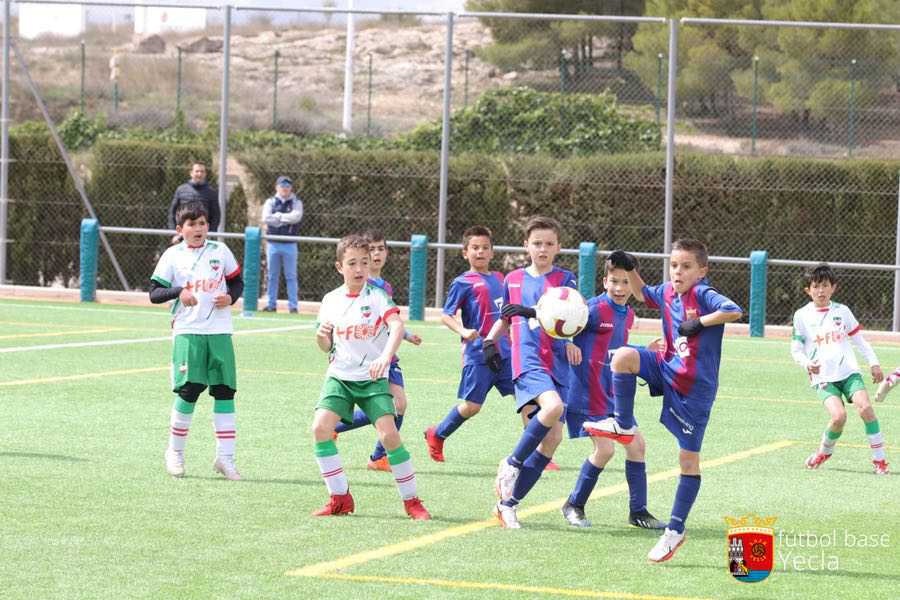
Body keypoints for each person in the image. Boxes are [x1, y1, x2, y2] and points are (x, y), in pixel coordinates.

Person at [586, 240, 742, 562]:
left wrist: (700, 322)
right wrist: (630, 268)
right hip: (665, 367)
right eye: (674, 265)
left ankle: (675, 530)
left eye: (686, 266)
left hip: (694, 389)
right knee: (624, 357)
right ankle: (623, 425)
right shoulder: (668, 292)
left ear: (701, 271)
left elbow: (734, 310)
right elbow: (642, 293)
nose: (677, 272)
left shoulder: (703, 294)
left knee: (688, 461)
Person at [311, 233, 430, 519]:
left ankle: (412, 501)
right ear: (339, 267)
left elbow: (396, 326)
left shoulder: (377, 296)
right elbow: (325, 346)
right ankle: (340, 498)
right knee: (320, 429)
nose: (360, 268)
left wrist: (385, 357)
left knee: (389, 436)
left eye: (364, 262)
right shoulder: (330, 300)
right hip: (340, 377)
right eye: (352, 263)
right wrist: (321, 337)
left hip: (372, 378)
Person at [482, 215, 579, 529]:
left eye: (549, 243)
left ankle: (507, 505)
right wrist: (489, 342)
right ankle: (511, 464)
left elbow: (570, 315)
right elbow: (506, 316)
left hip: (558, 362)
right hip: (527, 357)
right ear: (526, 245)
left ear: (558, 247)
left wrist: (571, 341)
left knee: (552, 440)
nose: (543, 249)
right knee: (553, 407)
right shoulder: (513, 279)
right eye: (537, 243)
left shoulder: (566, 279)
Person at [561, 253, 665, 530]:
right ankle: (574, 504)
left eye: (625, 282)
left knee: (637, 446)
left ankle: (638, 512)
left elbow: (616, 350)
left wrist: (644, 351)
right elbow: (558, 327)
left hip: (612, 395)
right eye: (614, 281)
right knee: (605, 449)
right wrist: (567, 344)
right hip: (587, 393)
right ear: (604, 281)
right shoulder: (591, 309)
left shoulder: (628, 314)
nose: (619, 288)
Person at [149, 202, 244, 481]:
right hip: (188, 330)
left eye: (202, 223)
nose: (198, 228)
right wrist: (179, 292)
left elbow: (237, 282)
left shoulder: (220, 251)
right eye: (192, 224)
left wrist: (230, 297)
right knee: (190, 390)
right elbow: (154, 293)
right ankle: (175, 452)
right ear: (181, 229)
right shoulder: (172, 255)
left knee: (225, 391)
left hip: (220, 331)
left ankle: (225, 458)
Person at [332, 230, 422, 472]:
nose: (376, 254)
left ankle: (377, 456)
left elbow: (388, 320)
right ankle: (336, 430)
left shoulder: (384, 286)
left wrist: (406, 334)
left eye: (381, 249)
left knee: (399, 405)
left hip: (388, 357)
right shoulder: (361, 286)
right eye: (371, 250)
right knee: (391, 405)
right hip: (368, 359)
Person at [789, 264, 889, 475]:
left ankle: (880, 461)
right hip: (823, 377)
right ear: (808, 290)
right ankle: (824, 452)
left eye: (825, 285)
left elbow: (859, 340)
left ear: (833, 288)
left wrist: (874, 363)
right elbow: (796, 349)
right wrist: (807, 363)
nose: (821, 291)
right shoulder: (802, 315)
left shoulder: (842, 312)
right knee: (838, 417)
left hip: (849, 372)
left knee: (866, 408)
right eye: (816, 286)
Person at [424, 226, 513, 462]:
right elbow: (446, 315)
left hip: (506, 352)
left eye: (485, 248)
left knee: (527, 398)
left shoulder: (500, 279)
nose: (480, 252)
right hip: (479, 354)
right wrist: (463, 330)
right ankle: (437, 433)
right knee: (472, 406)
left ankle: (538, 454)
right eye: (475, 248)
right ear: (465, 253)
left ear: (492, 252)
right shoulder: (462, 282)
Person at [261, 175, 303, 314]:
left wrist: (278, 216)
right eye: (282, 186)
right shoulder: (270, 202)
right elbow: (266, 218)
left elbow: (296, 217)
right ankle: (271, 304)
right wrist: (285, 218)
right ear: (277, 187)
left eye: (287, 186)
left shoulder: (296, 202)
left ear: (291, 188)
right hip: (273, 244)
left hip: (290, 244)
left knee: (291, 276)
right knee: (272, 276)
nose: (285, 188)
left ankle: (293, 306)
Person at [168, 161, 220, 242]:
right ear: (191, 173)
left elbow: (216, 216)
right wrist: (174, 234)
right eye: (197, 171)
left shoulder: (211, 192)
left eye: (202, 171)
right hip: (182, 236)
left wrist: (210, 235)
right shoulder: (181, 190)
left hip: (202, 237)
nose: (199, 174)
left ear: (205, 174)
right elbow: (172, 213)